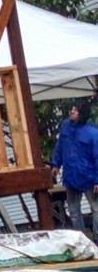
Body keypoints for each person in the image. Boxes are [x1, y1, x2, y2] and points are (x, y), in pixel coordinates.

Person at [50, 101, 98, 238]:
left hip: (88, 177)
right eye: (72, 109)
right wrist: (56, 164)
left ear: (82, 114)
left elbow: (97, 157)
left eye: (75, 110)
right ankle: (81, 239)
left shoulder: (93, 133)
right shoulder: (65, 127)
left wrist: (97, 180)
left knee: (96, 207)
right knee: (74, 210)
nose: (72, 111)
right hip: (71, 176)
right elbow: (60, 146)